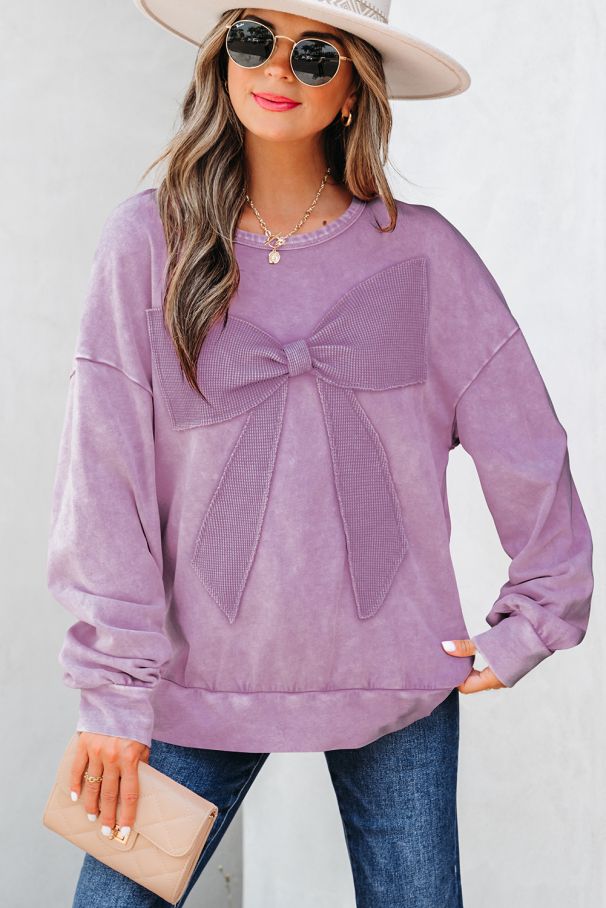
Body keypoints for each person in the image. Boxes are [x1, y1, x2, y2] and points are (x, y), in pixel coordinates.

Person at [46, 3, 594, 906]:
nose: (277, 69)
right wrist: (111, 688)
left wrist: (536, 616)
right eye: (254, 39)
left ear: (351, 92)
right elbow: (103, 479)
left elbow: (528, 442)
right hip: (188, 682)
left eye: (315, 55)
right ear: (224, 57)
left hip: (396, 684)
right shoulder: (145, 242)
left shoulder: (424, 253)